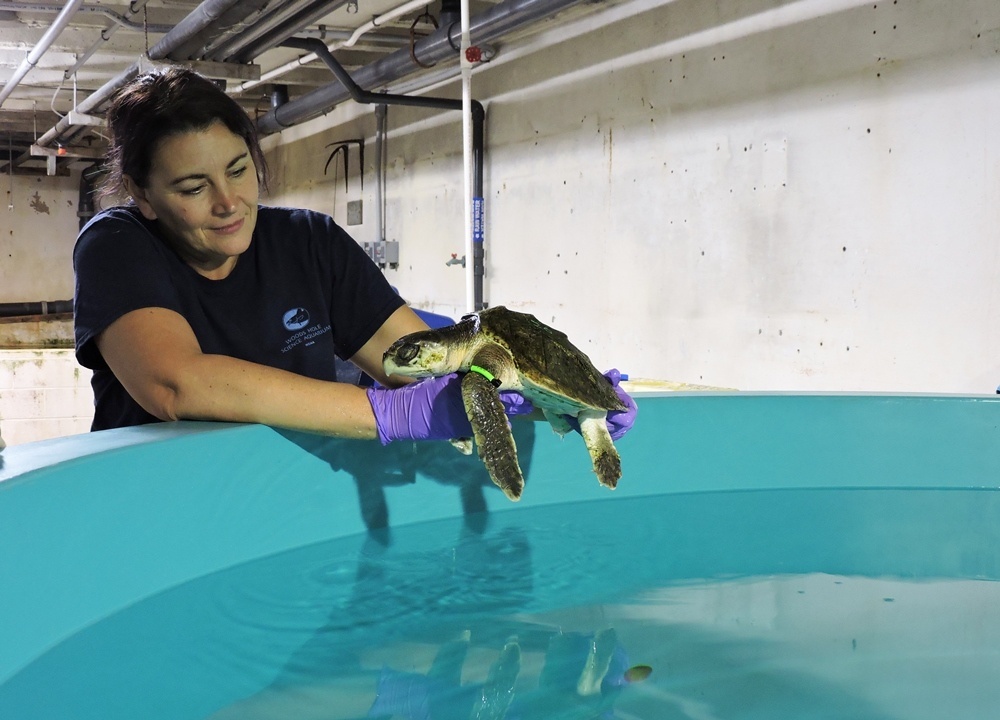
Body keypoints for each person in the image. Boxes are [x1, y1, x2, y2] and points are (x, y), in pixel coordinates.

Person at [73, 67, 636, 449]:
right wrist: (388, 415)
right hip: (160, 507)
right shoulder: (116, 246)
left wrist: (557, 394)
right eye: (193, 187)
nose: (228, 203)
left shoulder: (308, 242)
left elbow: (420, 362)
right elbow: (175, 385)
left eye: (239, 170)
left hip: (296, 495)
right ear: (142, 195)